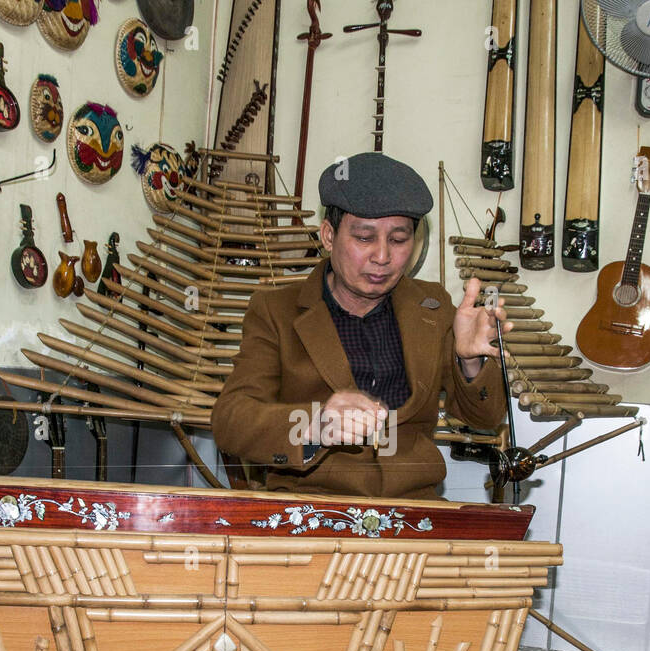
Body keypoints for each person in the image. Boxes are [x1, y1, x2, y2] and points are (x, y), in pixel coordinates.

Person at [211, 152, 511, 500]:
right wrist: (316, 424)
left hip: (413, 510)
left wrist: (470, 362)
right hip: (312, 510)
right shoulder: (277, 311)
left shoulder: (432, 307)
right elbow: (231, 421)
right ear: (328, 236)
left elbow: (485, 418)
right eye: (365, 238)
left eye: (398, 240)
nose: (382, 257)